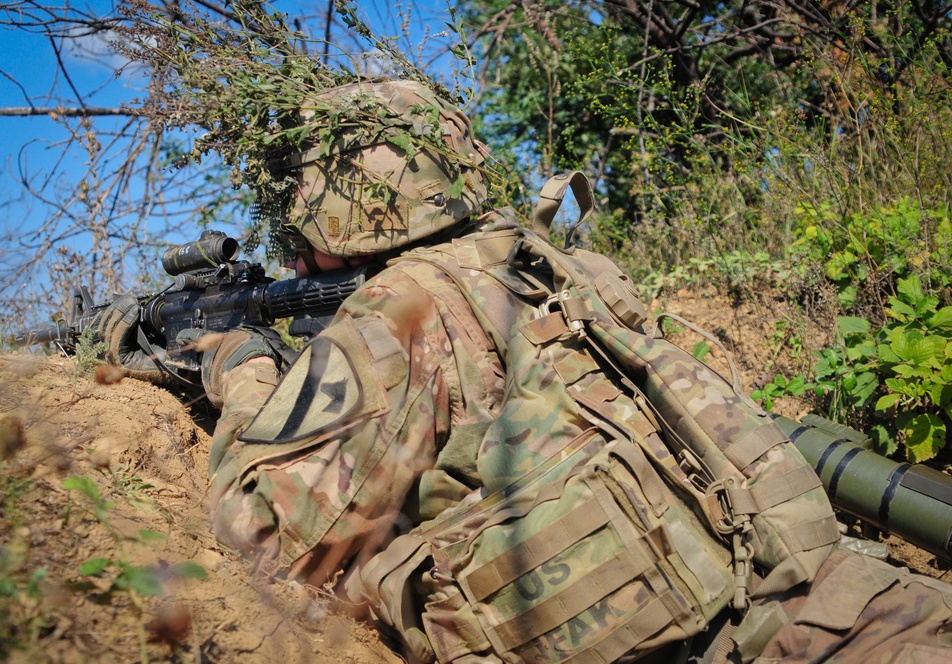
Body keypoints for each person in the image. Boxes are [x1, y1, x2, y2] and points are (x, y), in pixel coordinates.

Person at [96, 79, 952, 663]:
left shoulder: (404, 314)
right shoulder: (553, 260)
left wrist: (243, 371)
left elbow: (259, 530)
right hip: (852, 597)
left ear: (335, 200)